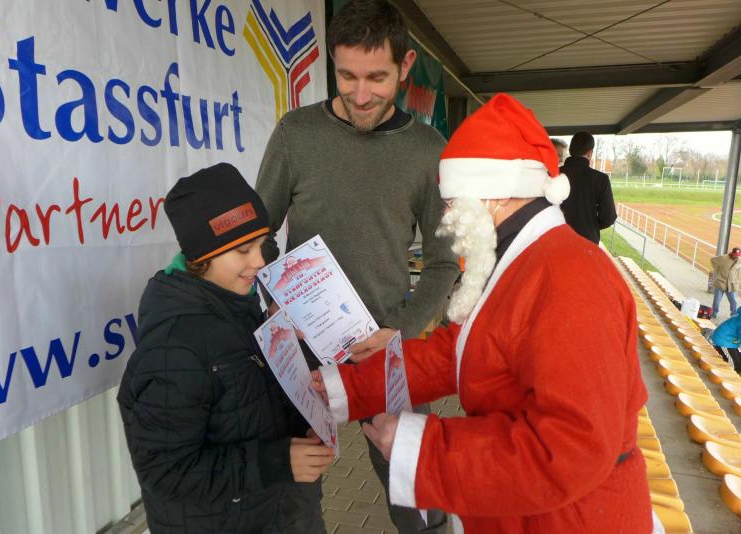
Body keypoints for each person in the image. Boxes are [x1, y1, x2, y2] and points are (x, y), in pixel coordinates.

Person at [313, 94, 655, 532]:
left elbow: (570, 449)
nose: (447, 218)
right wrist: (348, 387)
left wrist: (423, 451)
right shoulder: (522, 259)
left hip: (573, 519)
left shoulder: (570, 279)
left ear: (495, 195)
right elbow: (458, 352)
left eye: (453, 201)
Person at [255, 1, 459, 531]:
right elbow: (258, 235)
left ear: (405, 66)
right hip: (301, 349)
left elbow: (443, 262)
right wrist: (278, 298)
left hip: (385, 349)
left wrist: (402, 330)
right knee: (295, 497)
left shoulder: (427, 151)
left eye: (377, 78)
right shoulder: (296, 134)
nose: (361, 94)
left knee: (417, 494)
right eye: (347, 76)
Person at [117, 163, 335, 533]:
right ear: (200, 258)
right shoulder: (174, 348)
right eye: (243, 250)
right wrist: (277, 462)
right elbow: (165, 472)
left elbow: (248, 404)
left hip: (268, 512)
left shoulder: (239, 305)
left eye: (261, 244)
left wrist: (305, 419)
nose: (260, 262)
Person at [559, 131, 617, 243]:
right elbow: (609, 217)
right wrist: (590, 225)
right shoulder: (601, 179)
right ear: (590, 153)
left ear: (570, 150)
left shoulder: (552, 174)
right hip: (588, 243)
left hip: (556, 241)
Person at [710, 247, 741, 318]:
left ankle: (733, 315)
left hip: (732, 285)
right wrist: (717, 269)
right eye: (735, 255)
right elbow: (712, 260)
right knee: (717, 301)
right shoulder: (723, 258)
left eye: (738, 255)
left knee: (734, 301)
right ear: (732, 253)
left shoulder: (739, 260)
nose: (736, 256)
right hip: (721, 283)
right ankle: (714, 313)